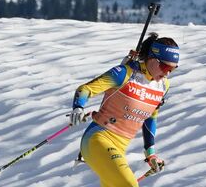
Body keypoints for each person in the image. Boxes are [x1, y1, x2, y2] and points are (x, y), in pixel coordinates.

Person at [69, 33, 180, 185]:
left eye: (172, 69)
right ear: (152, 59)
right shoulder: (124, 73)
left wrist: (151, 154)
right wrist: (78, 107)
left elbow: (150, 117)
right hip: (98, 139)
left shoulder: (163, 86)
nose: (167, 73)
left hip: (121, 147)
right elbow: (85, 89)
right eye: (165, 66)